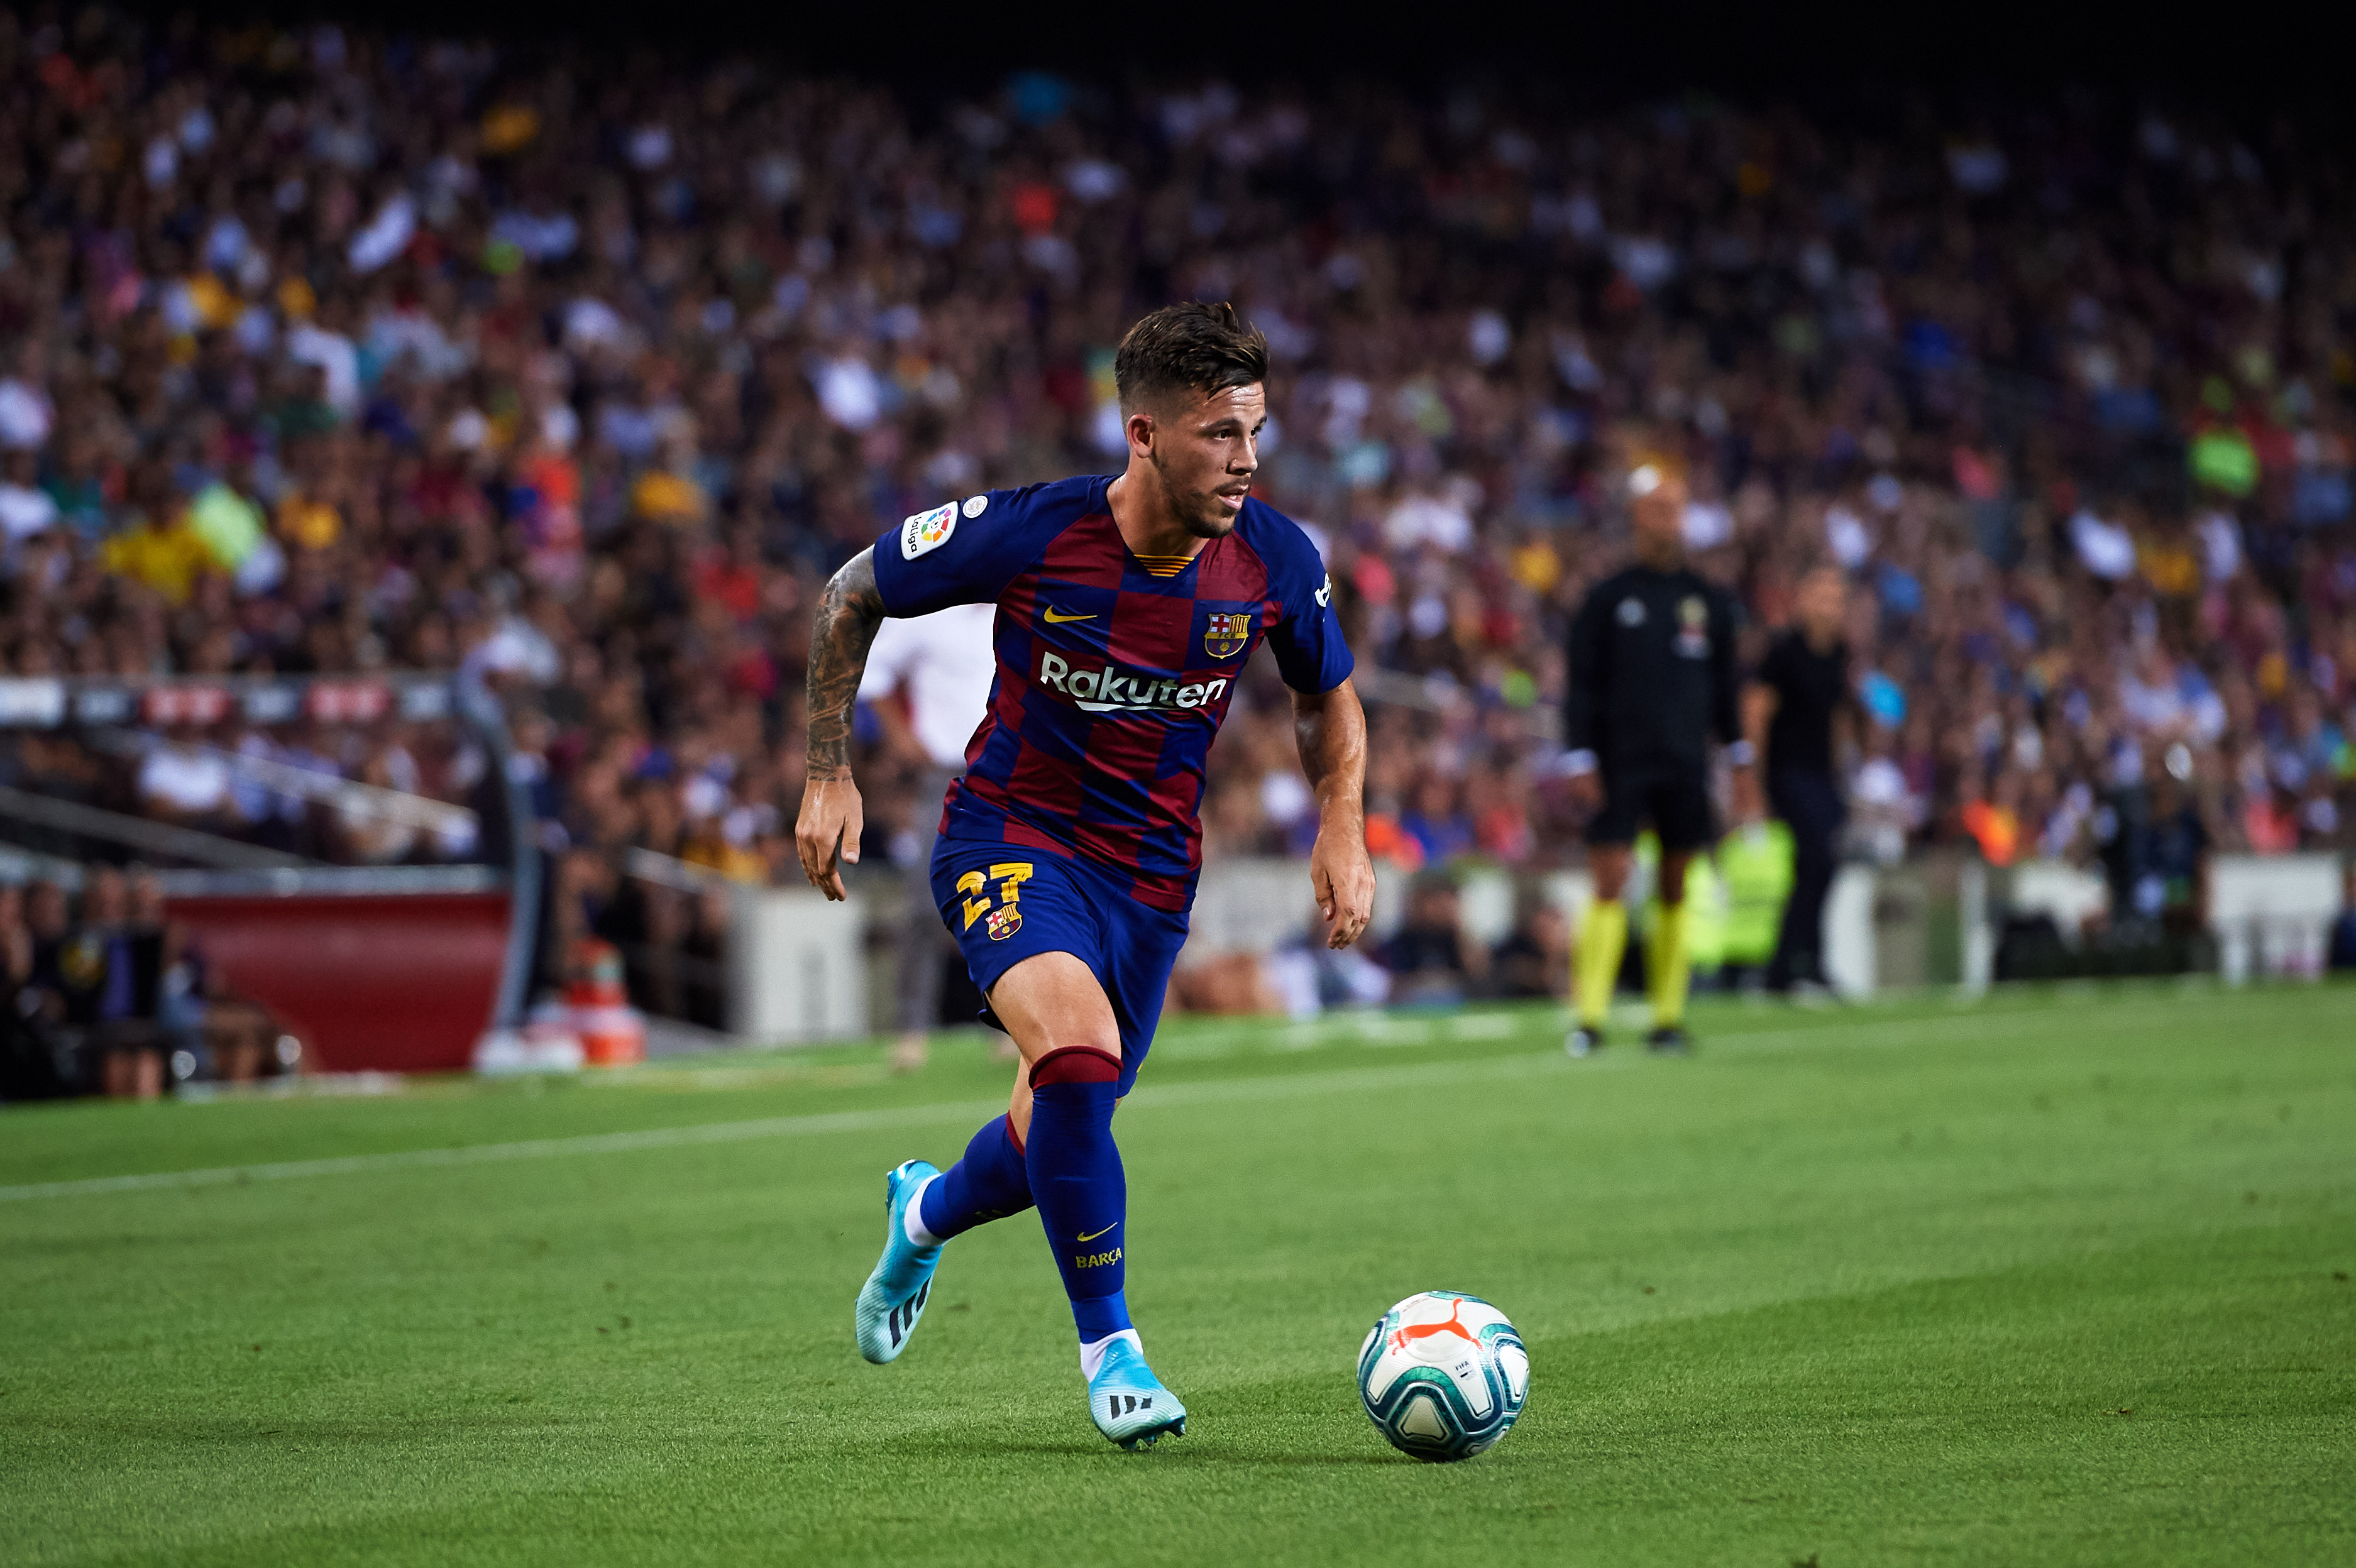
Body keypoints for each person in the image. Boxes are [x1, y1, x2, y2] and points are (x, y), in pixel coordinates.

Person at [795, 302, 1373, 1450]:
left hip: (1152, 884)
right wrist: (827, 769)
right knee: (1075, 1056)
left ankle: (924, 1212)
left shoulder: (1273, 559)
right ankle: (1112, 1353)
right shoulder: (1031, 532)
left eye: (1254, 432)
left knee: (1056, 1126)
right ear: (1143, 432)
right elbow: (850, 592)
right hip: (1009, 838)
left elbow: (1327, 696)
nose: (1245, 460)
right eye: (1219, 434)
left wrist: (1342, 821)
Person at [1561, 463, 1751, 1056]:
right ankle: (1590, 1018)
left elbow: (1726, 690)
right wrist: (1579, 758)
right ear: (1638, 515)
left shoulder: (1709, 603)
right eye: (1660, 507)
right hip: (1620, 759)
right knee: (1611, 878)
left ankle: (1666, 1019)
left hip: (1685, 761)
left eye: (1678, 507)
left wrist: (1740, 759)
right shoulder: (1608, 599)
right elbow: (1582, 685)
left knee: (1675, 883)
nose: (1671, 518)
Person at [856, 600, 999, 1072]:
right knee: (924, 905)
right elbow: (873, 672)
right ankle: (911, 1029)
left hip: (1004, 774)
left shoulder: (1016, 604)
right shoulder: (929, 614)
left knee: (1006, 901)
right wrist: (900, 736)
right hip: (943, 776)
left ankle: (1007, 1027)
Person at [1746, 566, 1853, 995]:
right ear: (1803, 600)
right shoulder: (1783, 653)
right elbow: (1757, 712)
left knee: (1818, 867)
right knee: (1817, 858)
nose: (1830, 606)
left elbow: (1838, 717)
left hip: (1821, 773)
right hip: (1787, 771)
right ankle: (1802, 959)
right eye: (1822, 596)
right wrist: (1752, 778)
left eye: (1837, 597)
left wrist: (1842, 768)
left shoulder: (1839, 653)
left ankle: (1790, 963)